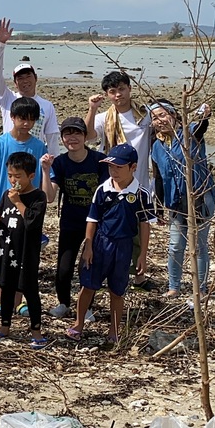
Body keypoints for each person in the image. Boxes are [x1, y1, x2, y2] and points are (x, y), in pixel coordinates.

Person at [67, 144, 156, 344]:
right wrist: (88, 247)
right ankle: (78, 323)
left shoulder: (142, 194)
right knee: (88, 286)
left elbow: (145, 225)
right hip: (100, 243)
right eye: (110, 167)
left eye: (119, 167)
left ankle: (114, 330)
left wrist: (142, 255)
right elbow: (92, 219)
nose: (114, 171)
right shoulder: (102, 190)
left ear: (133, 167)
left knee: (117, 290)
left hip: (124, 246)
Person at [85, 71, 155, 291]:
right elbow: (88, 136)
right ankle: (108, 270)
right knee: (111, 228)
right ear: (107, 94)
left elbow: (165, 127)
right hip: (112, 182)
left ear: (129, 89)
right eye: (112, 92)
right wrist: (92, 108)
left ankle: (139, 274)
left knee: (138, 229)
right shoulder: (104, 117)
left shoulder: (145, 115)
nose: (118, 95)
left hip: (140, 181)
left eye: (121, 89)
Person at [40, 117, 108, 318]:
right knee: (63, 267)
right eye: (67, 134)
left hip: (95, 224)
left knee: (88, 266)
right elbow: (50, 198)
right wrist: (45, 170)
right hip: (70, 222)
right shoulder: (60, 163)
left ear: (85, 136)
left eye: (77, 133)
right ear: (62, 138)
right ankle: (63, 303)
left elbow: (106, 195)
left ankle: (86, 307)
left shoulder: (99, 161)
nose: (72, 137)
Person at [149, 99, 215, 299]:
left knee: (199, 245)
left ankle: (201, 289)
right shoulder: (156, 147)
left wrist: (205, 114)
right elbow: (159, 178)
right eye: (154, 118)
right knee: (175, 245)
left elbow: (202, 125)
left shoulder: (189, 135)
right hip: (175, 202)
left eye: (162, 115)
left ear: (173, 115)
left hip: (200, 199)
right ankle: (174, 287)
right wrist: (159, 209)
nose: (159, 120)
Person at [0, 153, 48, 349]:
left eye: (18, 176)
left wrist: (19, 202)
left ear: (30, 175)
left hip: (26, 254)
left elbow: (32, 222)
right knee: (5, 288)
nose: (13, 180)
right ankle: (4, 326)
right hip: (6, 251)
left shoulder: (38, 197)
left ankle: (36, 331)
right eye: (10, 175)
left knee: (30, 291)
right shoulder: (6, 194)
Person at [0, 18, 61, 155]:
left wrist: (53, 170)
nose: (25, 81)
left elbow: (52, 139)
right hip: (10, 157)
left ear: (36, 78)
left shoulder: (47, 106)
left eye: (28, 76)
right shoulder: (7, 99)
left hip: (35, 158)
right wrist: (0, 44)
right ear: (15, 83)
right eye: (20, 78)